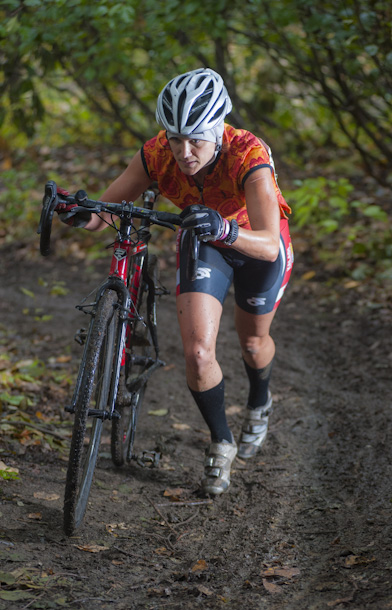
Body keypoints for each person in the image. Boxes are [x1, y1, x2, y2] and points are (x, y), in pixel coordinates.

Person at [57, 68, 293, 496]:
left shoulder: (247, 156)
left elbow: (270, 244)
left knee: (253, 343)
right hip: (204, 240)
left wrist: (225, 229)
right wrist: (80, 212)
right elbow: (107, 211)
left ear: (219, 130)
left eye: (196, 140)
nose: (184, 152)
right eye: (175, 137)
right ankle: (222, 442)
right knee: (199, 353)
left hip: (251, 242)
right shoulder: (157, 154)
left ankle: (260, 399)